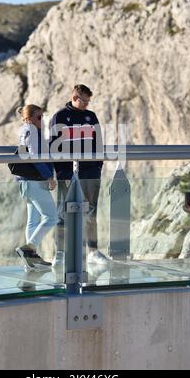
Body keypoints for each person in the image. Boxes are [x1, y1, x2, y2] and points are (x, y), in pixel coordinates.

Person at [50, 84, 110, 266]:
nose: (86, 104)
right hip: (67, 173)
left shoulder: (90, 116)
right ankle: (59, 253)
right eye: (84, 101)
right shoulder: (59, 117)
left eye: (88, 101)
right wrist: (61, 171)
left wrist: (97, 166)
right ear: (75, 98)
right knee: (62, 212)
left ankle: (92, 251)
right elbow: (53, 146)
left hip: (90, 171)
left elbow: (98, 143)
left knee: (91, 211)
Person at [15, 104, 58, 269]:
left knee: (32, 221)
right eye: (38, 117)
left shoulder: (24, 130)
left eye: (42, 117)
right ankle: (29, 248)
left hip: (25, 182)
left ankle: (30, 261)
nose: (41, 120)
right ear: (29, 118)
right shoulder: (31, 130)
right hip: (35, 181)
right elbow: (34, 155)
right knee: (51, 217)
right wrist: (49, 176)